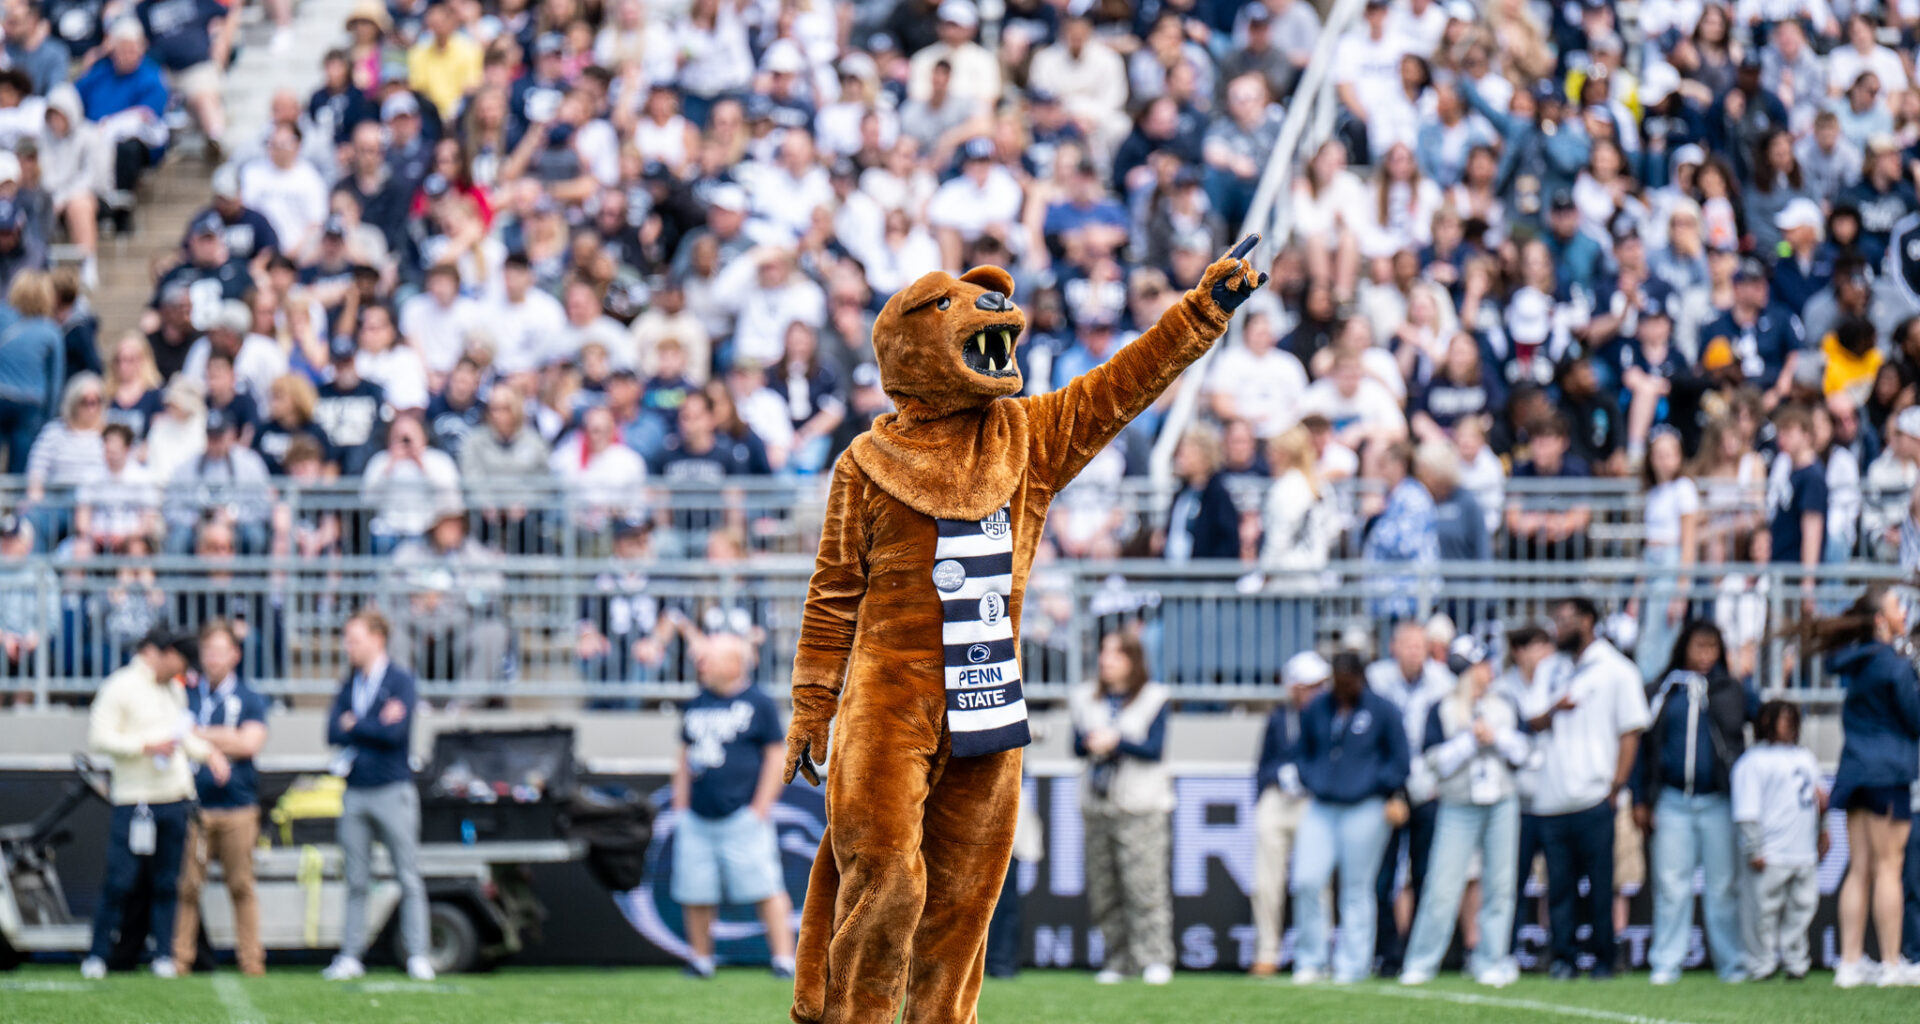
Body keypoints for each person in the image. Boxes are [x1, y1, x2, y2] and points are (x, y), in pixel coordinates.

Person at [81, 626, 229, 979]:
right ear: (159, 653)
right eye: (179, 660)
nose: (182, 670)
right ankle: (98, 954)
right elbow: (99, 738)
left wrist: (210, 754)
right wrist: (146, 746)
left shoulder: (173, 690)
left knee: (168, 882)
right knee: (120, 881)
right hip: (135, 800)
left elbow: (183, 736)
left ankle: (164, 954)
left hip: (174, 800)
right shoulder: (120, 686)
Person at [1803, 585, 1920, 987]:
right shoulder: (1894, 664)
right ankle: (1891, 964)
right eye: (1896, 607)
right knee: (1889, 867)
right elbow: (1915, 718)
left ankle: (1850, 964)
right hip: (1887, 774)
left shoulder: (1858, 661)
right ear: (1880, 620)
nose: (1904, 613)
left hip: (1855, 770)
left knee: (1861, 868)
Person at [1399, 636, 1530, 988]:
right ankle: (1422, 961)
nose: (1488, 672)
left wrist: (1496, 737)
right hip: (1458, 804)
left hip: (1502, 801)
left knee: (1500, 885)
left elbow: (1525, 753)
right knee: (1442, 886)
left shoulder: (1504, 704)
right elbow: (1432, 763)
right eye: (1480, 666)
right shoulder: (1440, 708)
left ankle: (1490, 959)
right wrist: (1469, 741)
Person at [1530, 597, 1650, 980]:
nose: (1558, 627)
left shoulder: (1617, 670)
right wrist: (1553, 711)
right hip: (1551, 797)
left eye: (1565, 619)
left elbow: (1630, 731)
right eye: (1556, 618)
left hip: (1597, 796)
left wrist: (1616, 786)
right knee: (1560, 887)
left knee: (1602, 886)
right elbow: (1532, 719)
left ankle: (1603, 959)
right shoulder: (1549, 668)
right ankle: (1563, 957)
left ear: (1588, 621)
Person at [1632, 620, 1752, 985]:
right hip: (1671, 801)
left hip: (1717, 801)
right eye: (1698, 647)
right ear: (1684, 647)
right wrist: (1641, 798)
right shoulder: (1664, 689)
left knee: (1722, 887)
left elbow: (1757, 718)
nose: (1704, 656)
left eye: (1711, 648)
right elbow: (1643, 746)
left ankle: (1731, 963)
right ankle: (1666, 962)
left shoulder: (1730, 689)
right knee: (1671, 886)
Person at [670, 631, 795, 980]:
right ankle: (701, 959)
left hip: (743, 816)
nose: (701, 662)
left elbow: (774, 755)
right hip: (697, 817)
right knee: (695, 890)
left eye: (709, 656)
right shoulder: (696, 701)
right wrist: (680, 806)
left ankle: (784, 960)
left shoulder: (759, 702)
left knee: (766, 887)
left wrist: (760, 807)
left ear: (734, 663)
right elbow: (683, 755)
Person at [321, 609, 432, 982]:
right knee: (355, 878)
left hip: (392, 789)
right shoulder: (351, 682)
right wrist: (371, 723)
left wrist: (357, 724)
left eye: (354, 639)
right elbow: (333, 731)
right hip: (355, 791)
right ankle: (351, 955)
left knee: (408, 875)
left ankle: (418, 954)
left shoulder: (400, 680)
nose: (348, 647)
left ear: (377, 639)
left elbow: (395, 734)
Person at [1290, 651, 1411, 984]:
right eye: (1337, 682)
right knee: (1306, 880)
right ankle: (1311, 960)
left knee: (1357, 888)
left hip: (1365, 807)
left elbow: (1400, 760)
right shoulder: (1317, 708)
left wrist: (1373, 785)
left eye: (1348, 682)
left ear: (1361, 679)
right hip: (1322, 805)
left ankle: (1352, 965)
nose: (1342, 689)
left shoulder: (1383, 710)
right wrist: (1313, 779)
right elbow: (1303, 752)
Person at [1072, 631, 1175, 986]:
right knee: (1104, 888)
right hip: (1097, 805)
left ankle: (1154, 958)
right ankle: (1119, 958)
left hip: (1140, 806)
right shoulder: (1084, 697)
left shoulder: (1154, 697)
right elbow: (1076, 747)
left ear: (1132, 660)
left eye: (1115, 654)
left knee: (1144, 886)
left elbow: (1155, 749)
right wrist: (1093, 742)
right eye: (1103, 653)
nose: (1106, 660)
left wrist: (1117, 742)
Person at [171, 619, 268, 976]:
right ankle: (180, 960)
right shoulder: (189, 694)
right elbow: (179, 736)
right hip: (196, 806)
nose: (212, 658)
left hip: (238, 806)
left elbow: (249, 743)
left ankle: (251, 961)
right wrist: (225, 736)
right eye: (207, 651)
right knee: (188, 887)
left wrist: (201, 735)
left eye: (220, 651)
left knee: (241, 886)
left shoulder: (250, 698)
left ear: (236, 655)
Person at [1366, 618, 1455, 975]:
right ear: (1394, 647)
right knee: (1382, 877)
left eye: (1420, 646)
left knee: (1425, 875)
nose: (1414, 653)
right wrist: (1387, 785)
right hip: (1387, 788)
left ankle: (1419, 952)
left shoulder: (1443, 682)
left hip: (1428, 787)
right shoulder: (1376, 680)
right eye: (1408, 645)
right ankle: (1387, 952)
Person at [1732, 700, 1827, 983]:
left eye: (1792, 719)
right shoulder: (1753, 762)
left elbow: (1819, 799)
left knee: (1802, 909)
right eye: (1782, 719)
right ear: (1765, 722)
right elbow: (1747, 811)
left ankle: (1797, 963)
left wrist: (1824, 830)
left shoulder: (1806, 757)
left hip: (1802, 852)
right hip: (1770, 852)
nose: (1788, 725)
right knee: (1761, 913)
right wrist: (1753, 847)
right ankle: (1761, 965)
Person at [1249, 651, 1329, 976]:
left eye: (1319, 685)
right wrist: (1279, 776)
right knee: (1266, 882)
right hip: (1277, 799)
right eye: (1309, 685)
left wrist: (1306, 777)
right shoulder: (1278, 718)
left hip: (1313, 802)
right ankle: (1267, 951)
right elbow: (1263, 763)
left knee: (1314, 881)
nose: (1315, 692)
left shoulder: (1329, 718)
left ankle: (1316, 953)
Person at [1636, 427, 1700, 683]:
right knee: (1647, 629)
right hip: (1652, 560)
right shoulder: (1652, 493)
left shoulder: (1684, 488)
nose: (1663, 460)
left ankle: (1655, 684)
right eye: (1658, 454)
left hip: (1670, 562)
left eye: (1669, 454)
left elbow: (1688, 541)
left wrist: (1681, 589)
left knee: (1660, 632)